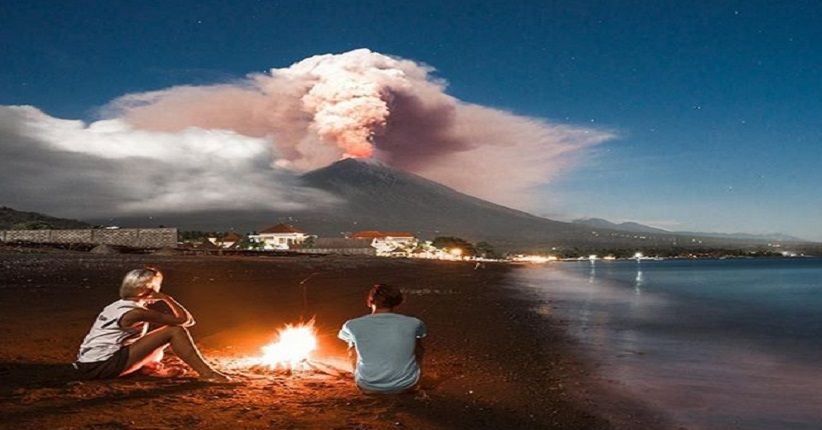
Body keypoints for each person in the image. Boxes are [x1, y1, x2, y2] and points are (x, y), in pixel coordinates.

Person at [73, 267, 230, 382]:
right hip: (102, 367)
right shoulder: (136, 312)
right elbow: (187, 321)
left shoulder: (116, 305)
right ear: (150, 290)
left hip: (88, 363)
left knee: (155, 340)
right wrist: (167, 298)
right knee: (174, 331)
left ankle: (146, 369)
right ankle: (208, 374)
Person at [338, 284, 426, 394]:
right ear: (397, 302)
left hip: (368, 386)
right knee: (416, 341)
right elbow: (419, 349)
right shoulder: (414, 323)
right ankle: (413, 374)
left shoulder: (352, 325)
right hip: (407, 384)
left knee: (352, 343)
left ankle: (361, 374)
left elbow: (351, 350)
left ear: (369, 301)